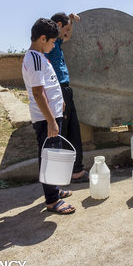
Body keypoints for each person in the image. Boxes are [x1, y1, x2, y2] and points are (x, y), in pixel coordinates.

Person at [22, 18, 75, 214]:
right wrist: (51, 121)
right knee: (50, 158)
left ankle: (54, 190)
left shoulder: (39, 56)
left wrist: (59, 101)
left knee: (53, 155)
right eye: (52, 41)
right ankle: (52, 201)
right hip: (47, 119)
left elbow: (48, 86)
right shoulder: (35, 58)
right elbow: (38, 92)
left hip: (51, 115)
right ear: (43, 38)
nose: (54, 45)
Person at [47, 12, 88, 183]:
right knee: (62, 133)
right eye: (66, 29)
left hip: (66, 90)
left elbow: (66, 36)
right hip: (58, 90)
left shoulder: (56, 43)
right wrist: (58, 97)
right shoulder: (49, 44)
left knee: (73, 131)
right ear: (57, 25)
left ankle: (76, 171)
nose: (68, 33)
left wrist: (70, 21)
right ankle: (59, 176)